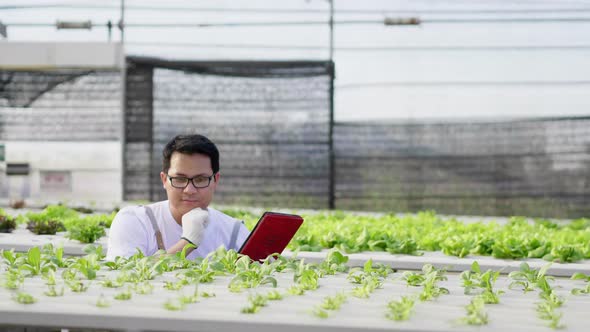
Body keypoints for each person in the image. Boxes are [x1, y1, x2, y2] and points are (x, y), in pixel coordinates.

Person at [106, 134, 250, 261]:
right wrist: (188, 242)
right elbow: (124, 275)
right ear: (164, 180)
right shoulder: (136, 220)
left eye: (200, 180)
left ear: (215, 180)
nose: (190, 190)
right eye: (180, 179)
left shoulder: (235, 231)